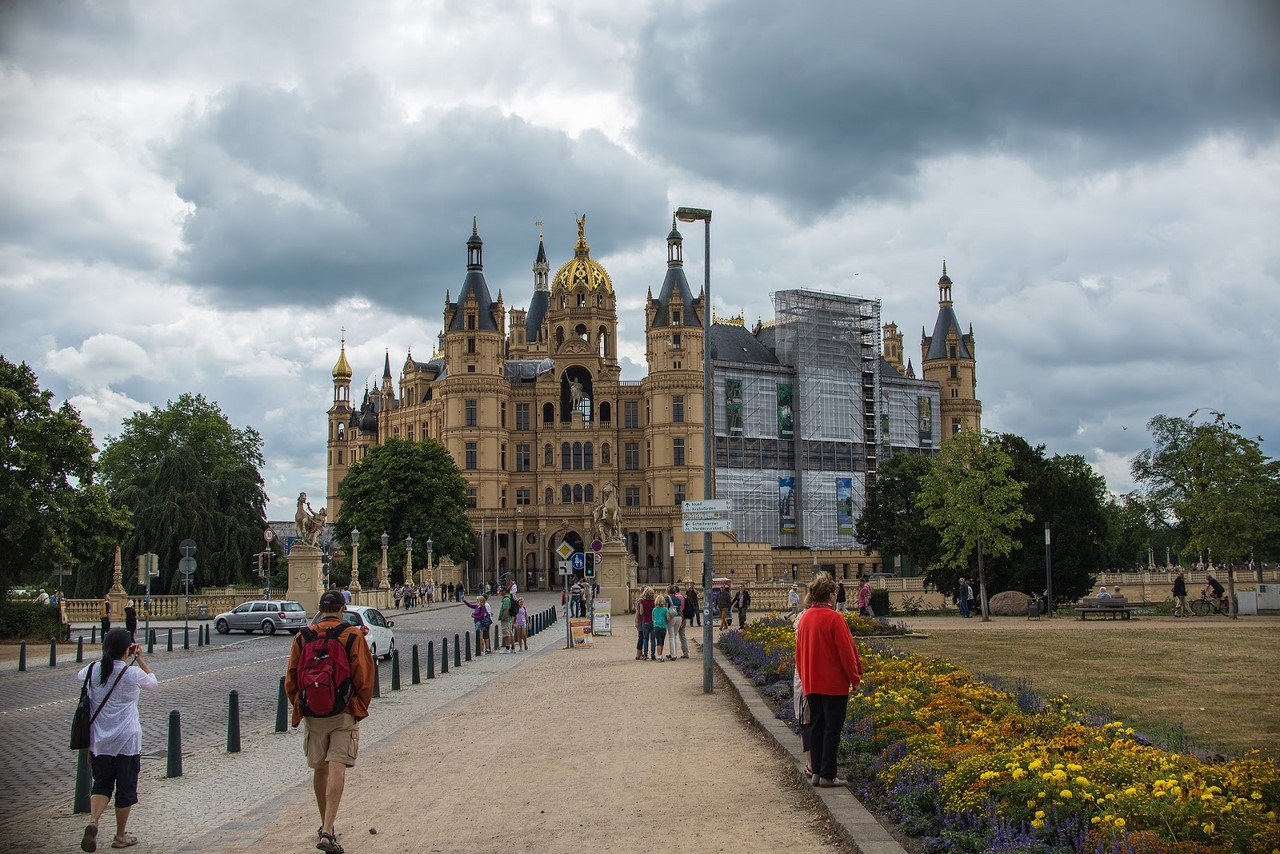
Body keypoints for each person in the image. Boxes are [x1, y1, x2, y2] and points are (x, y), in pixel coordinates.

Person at [285, 589, 375, 854]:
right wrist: (357, 707)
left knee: (319, 769)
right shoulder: (352, 635)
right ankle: (327, 829)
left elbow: (291, 677)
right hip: (343, 711)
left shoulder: (303, 636)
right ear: (342, 608)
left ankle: (327, 826)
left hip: (313, 712)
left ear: (321, 609)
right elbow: (364, 677)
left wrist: (300, 705)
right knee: (337, 767)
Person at [77, 628, 157, 852]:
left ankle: (94, 821)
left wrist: (105, 657)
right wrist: (140, 659)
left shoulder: (92, 670)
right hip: (127, 740)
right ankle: (120, 835)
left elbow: (79, 676)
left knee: (101, 784)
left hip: (100, 741)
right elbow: (153, 683)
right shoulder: (132, 674)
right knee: (125, 788)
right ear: (127, 649)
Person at [795, 572, 862, 789]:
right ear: (830, 595)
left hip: (812, 682)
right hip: (833, 684)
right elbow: (846, 652)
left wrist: (805, 679)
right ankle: (828, 775)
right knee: (832, 729)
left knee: (816, 726)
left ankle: (816, 772)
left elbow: (799, 653)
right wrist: (855, 679)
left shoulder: (805, 618)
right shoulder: (835, 618)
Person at [667, 585, 687, 659]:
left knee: (671, 636)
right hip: (679, 617)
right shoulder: (678, 599)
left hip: (672, 617)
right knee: (675, 636)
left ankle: (673, 654)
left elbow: (666, 608)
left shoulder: (667, 598)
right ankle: (675, 653)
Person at [636, 587, 656, 660]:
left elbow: (641, 612)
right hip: (653, 621)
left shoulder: (643, 602)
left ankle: (645, 654)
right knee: (653, 639)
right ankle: (653, 654)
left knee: (645, 638)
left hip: (645, 621)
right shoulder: (654, 602)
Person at [499, 585, 517, 653]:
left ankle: (507, 648)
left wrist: (503, 618)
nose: (500, 592)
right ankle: (512, 648)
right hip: (509, 618)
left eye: (501, 591)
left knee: (506, 634)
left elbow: (506, 609)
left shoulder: (506, 599)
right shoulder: (508, 598)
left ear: (504, 591)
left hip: (506, 619)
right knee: (510, 633)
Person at [651, 593, 669, 661]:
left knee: (658, 641)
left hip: (656, 626)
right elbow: (668, 618)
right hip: (663, 626)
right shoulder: (665, 609)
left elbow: (652, 618)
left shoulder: (654, 609)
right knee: (662, 642)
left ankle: (659, 656)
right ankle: (660, 655)